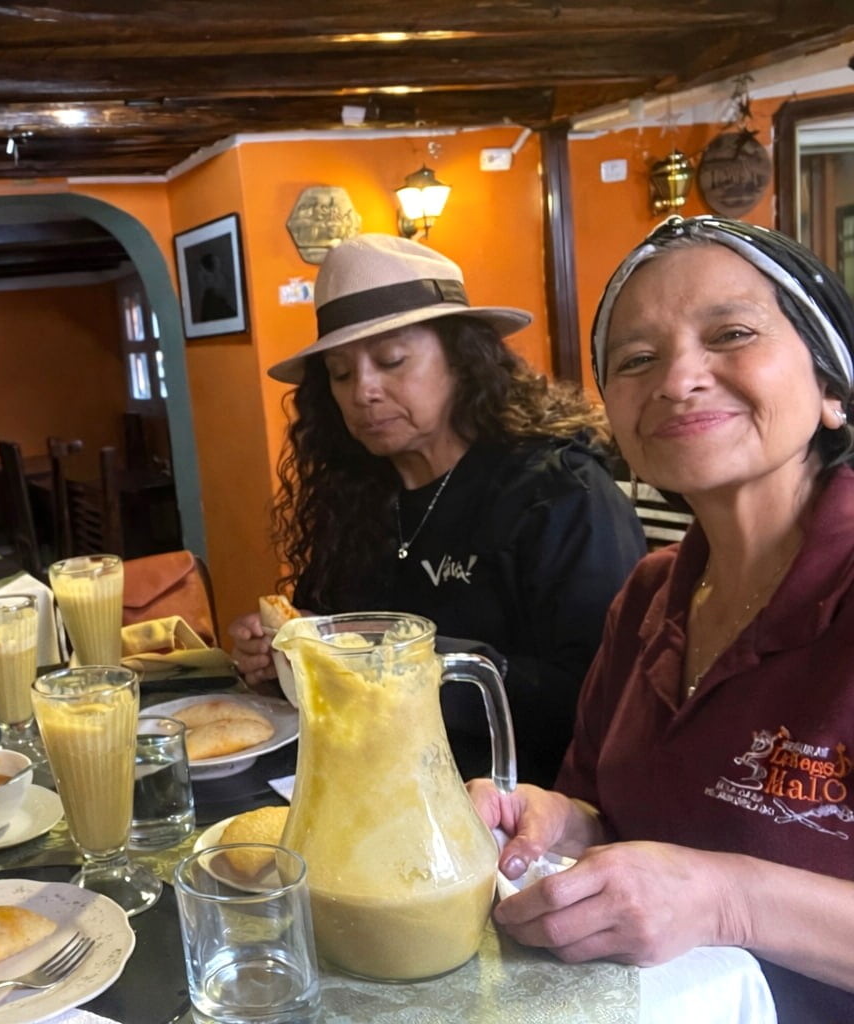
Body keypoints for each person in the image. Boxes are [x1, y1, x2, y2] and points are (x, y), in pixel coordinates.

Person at [474, 215, 854, 1020]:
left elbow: (708, 892)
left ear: (831, 389)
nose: (679, 378)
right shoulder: (650, 594)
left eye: (733, 333)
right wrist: (554, 827)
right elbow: (607, 815)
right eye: (637, 359)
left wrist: (728, 901)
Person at [230, 234, 646, 786]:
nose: (365, 391)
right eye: (341, 372)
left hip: (518, 805)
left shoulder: (561, 493)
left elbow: (601, 697)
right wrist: (281, 663)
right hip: (366, 782)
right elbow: (324, 636)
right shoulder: (355, 495)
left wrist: (399, 661)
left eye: (391, 360)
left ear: (462, 357)